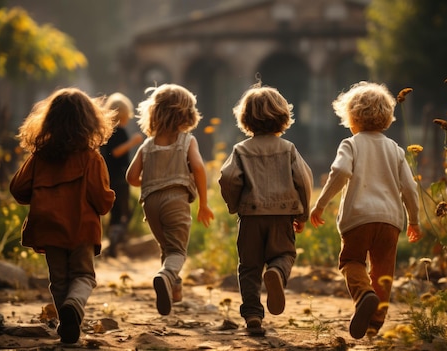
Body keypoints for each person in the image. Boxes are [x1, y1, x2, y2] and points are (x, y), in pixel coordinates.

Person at [309, 81, 422, 340]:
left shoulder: (350, 144)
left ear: (352, 118)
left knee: (351, 261)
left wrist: (321, 203)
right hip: (391, 221)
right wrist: (414, 220)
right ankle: (374, 323)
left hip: (358, 219)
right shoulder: (395, 149)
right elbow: (409, 189)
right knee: (383, 272)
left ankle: (364, 295)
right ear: (387, 118)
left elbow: (340, 172)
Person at [10, 87, 116, 344]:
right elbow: (101, 201)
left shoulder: (39, 158)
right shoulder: (91, 158)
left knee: (58, 279)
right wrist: (110, 198)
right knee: (83, 276)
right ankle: (73, 307)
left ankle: (67, 323)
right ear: (89, 122)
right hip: (82, 229)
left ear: (48, 122)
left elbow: (18, 189)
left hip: (48, 228)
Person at [218, 82, 313, 335]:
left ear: (245, 118)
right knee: (285, 254)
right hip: (282, 216)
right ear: (282, 116)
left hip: (250, 217)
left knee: (248, 267)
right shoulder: (288, 149)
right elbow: (303, 180)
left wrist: (234, 205)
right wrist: (303, 214)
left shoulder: (241, 150)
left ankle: (252, 315)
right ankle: (276, 274)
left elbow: (227, 178)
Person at [126, 83, 214, 316]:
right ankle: (165, 276)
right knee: (177, 252)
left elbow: (131, 177)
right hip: (176, 199)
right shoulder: (187, 141)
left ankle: (174, 290)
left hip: (150, 203)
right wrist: (203, 204)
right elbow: (198, 168)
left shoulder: (147, 145)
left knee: (167, 247)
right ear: (188, 114)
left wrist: (151, 182)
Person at [100, 92, 144, 258]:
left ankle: (114, 240)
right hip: (118, 177)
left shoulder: (106, 132)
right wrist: (132, 142)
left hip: (107, 177)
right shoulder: (120, 132)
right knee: (124, 210)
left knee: (116, 211)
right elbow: (116, 152)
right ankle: (116, 240)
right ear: (122, 115)